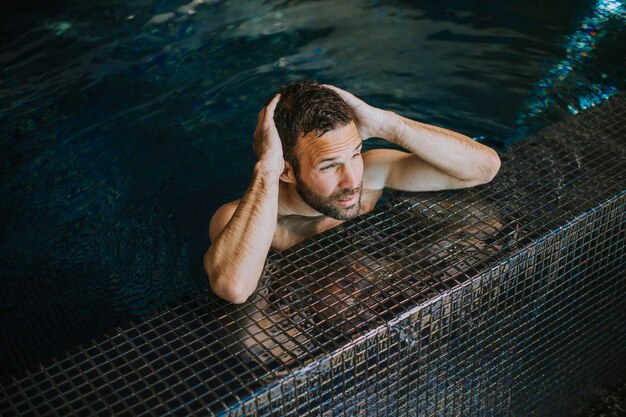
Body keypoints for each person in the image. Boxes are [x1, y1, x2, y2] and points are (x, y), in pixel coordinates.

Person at [204, 80, 501, 304]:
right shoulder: (238, 217)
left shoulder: (370, 173)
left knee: (487, 225)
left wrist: (389, 125)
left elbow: (484, 168)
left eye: (355, 154)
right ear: (286, 170)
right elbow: (234, 288)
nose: (351, 181)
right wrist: (266, 169)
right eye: (329, 166)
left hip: (382, 280)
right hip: (310, 309)